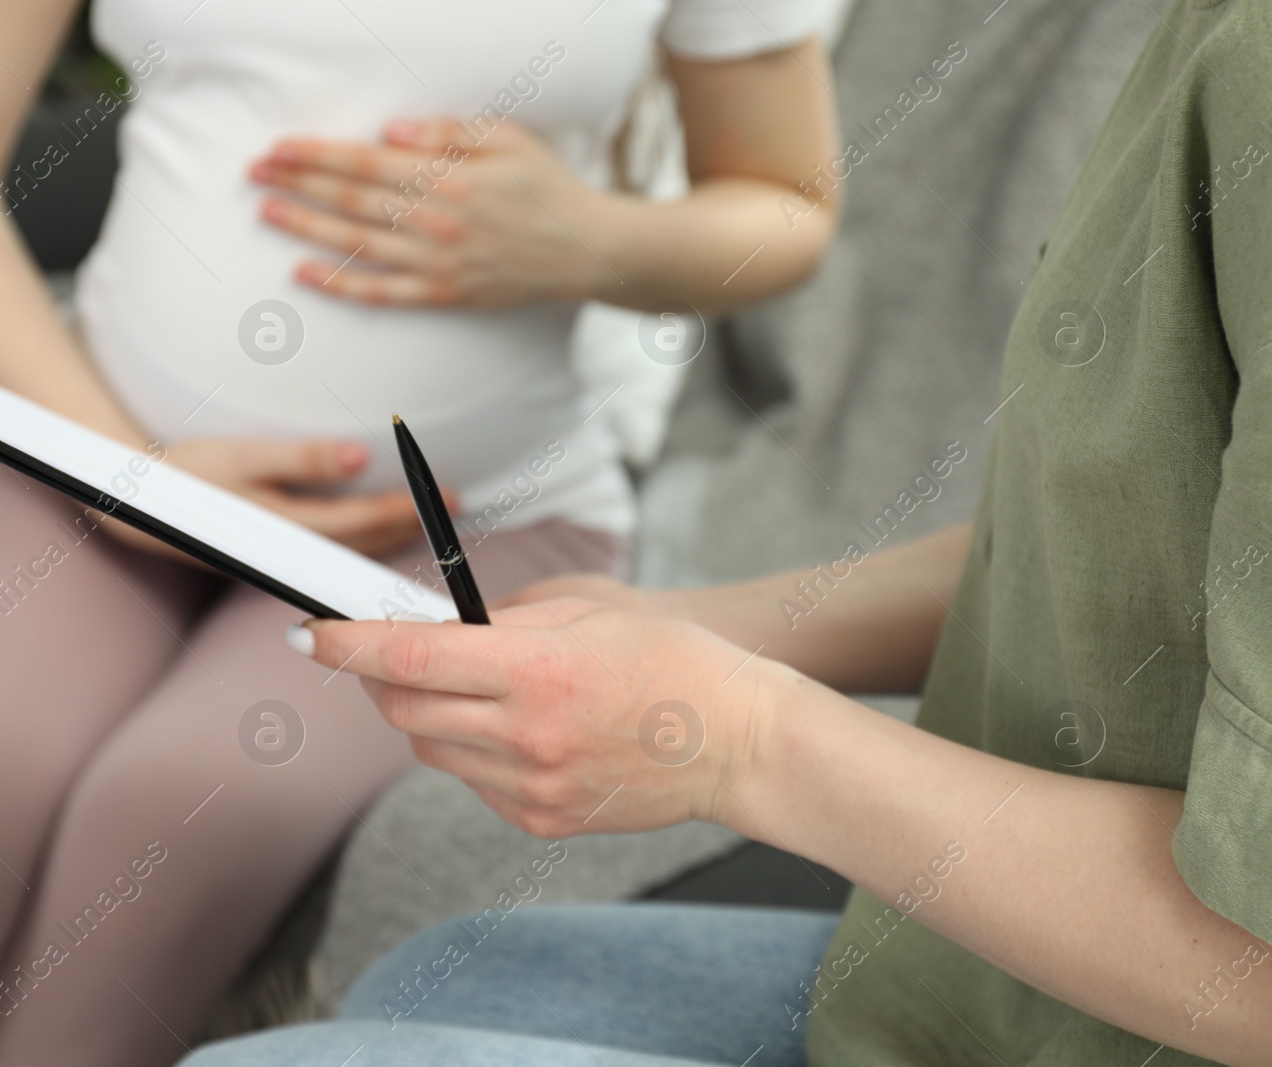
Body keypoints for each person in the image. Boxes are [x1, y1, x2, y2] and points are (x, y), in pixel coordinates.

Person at [0, 1, 844, 1065]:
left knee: (172, 814)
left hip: (478, 523)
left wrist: (590, 240)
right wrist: (125, 475)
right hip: (88, 453)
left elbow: (787, 203)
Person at [229, 0, 1271, 1063]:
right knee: (419, 974)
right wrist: (689, 622)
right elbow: (1117, 533)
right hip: (977, 984)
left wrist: (732, 738)